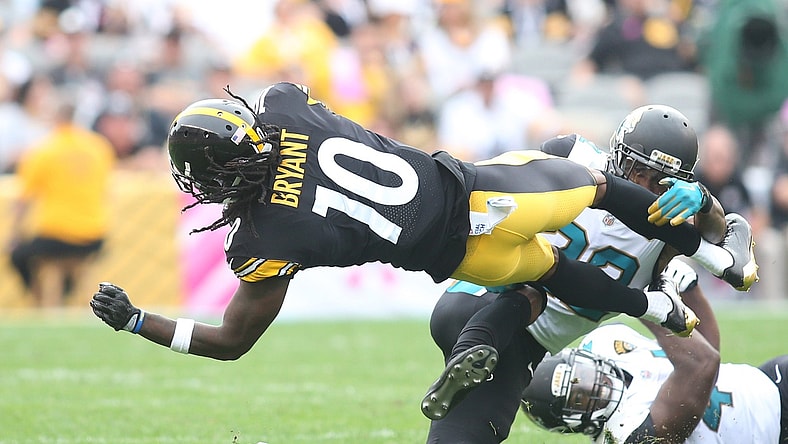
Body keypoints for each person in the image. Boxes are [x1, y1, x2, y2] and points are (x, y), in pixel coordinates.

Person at [89, 83, 752, 401]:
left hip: (463, 257)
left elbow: (230, 342)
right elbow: (290, 104)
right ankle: (709, 263)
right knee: (598, 190)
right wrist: (710, 234)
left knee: (546, 272)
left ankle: (658, 303)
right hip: (483, 193)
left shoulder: (262, 240)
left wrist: (139, 321)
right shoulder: (284, 108)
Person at [422, 106, 743, 439]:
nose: (644, 186)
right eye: (638, 172)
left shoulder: (672, 222)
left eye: (659, 182)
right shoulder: (573, 156)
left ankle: (471, 350)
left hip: (508, 338)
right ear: (618, 156)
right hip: (489, 299)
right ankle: (476, 341)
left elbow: (718, 237)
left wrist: (705, 201)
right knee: (533, 289)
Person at [522, 321, 788, 443]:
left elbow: (705, 345)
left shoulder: (604, 343)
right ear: (572, 424)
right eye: (579, 399)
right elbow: (702, 363)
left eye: (584, 375)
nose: (594, 386)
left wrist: (687, 286)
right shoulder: (627, 436)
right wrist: (652, 304)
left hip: (769, 381)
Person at [8, 91, 115, 307]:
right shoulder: (99, 146)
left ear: (55, 117)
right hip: (95, 234)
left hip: (57, 234)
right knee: (69, 260)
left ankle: (42, 300)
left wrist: (15, 234)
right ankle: (64, 296)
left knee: (18, 256)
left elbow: (24, 200)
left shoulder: (44, 150)